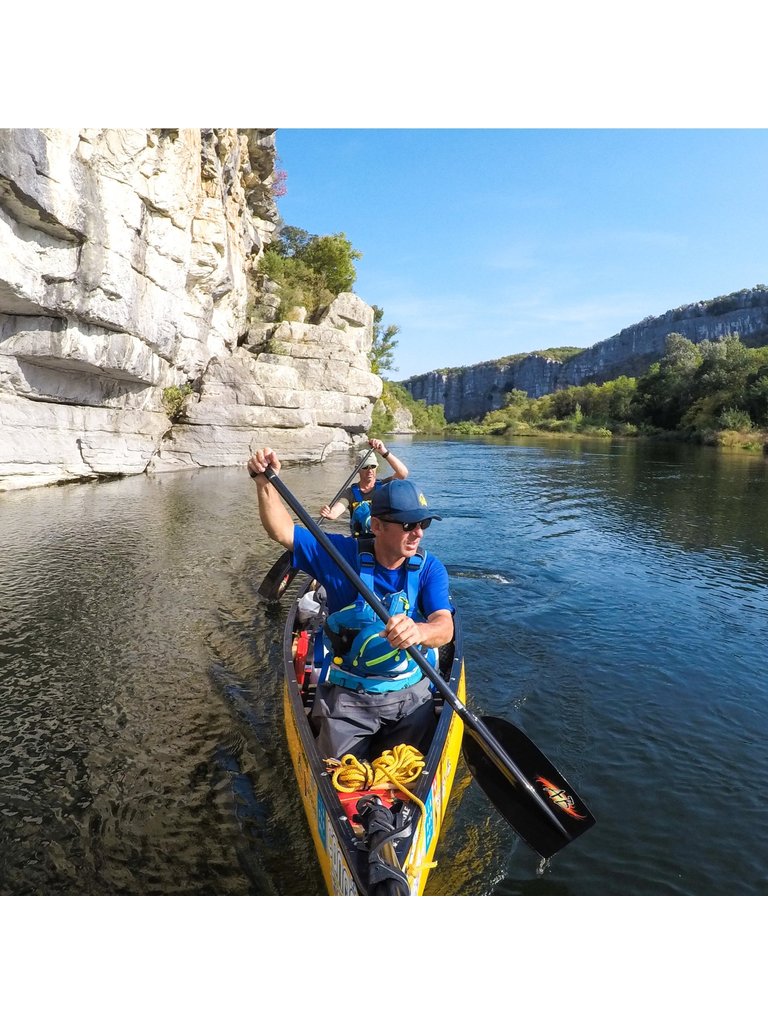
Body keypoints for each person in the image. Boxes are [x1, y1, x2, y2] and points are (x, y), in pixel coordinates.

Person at [248, 447, 454, 761]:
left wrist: (420, 631)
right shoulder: (339, 555)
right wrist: (264, 482)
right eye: (408, 525)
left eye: (423, 523)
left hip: (412, 697)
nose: (418, 534)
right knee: (342, 777)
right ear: (377, 526)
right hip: (348, 698)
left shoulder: (430, 568)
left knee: (403, 775)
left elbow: (445, 627)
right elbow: (282, 532)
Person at [320, 437, 409, 538]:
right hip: (360, 541)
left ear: (377, 467)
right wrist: (329, 513)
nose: (370, 471)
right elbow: (335, 512)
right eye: (365, 467)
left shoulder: (384, 486)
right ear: (357, 469)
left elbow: (403, 473)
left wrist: (383, 452)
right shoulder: (350, 493)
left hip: (382, 540)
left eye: (373, 466)